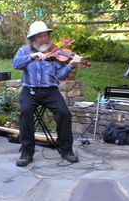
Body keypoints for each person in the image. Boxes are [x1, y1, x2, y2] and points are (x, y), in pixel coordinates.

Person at [12, 21, 88, 167]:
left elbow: (59, 75)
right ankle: (27, 152)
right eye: (40, 36)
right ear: (33, 38)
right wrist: (32, 56)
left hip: (50, 91)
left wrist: (71, 65)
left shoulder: (56, 52)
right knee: (26, 111)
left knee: (64, 113)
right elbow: (15, 64)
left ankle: (66, 150)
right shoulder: (24, 51)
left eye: (46, 35)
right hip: (30, 90)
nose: (44, 39)